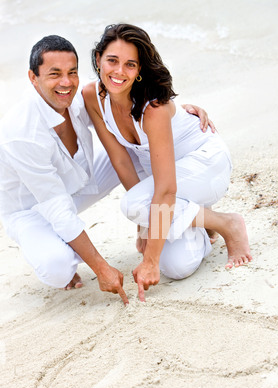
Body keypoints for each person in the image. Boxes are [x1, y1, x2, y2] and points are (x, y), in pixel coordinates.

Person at [0, 34, 212, 305]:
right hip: (31, 210)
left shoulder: (75, 98)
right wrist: (101, 267)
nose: (66, 83)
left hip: (76, 184)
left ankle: (171, 216)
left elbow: (127, 106)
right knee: (57, 268)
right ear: (33, 77)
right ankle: (60, 249)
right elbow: (56, 207)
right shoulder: (21, 133)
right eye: (54, 74)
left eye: (72, 72)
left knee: (135, 153)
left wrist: (175, 112)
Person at [82, 24, 252, 302]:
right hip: (169, 178)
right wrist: (145, 227)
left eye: (130, 64)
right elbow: (121, 161)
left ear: (139, 71)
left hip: (204, 166)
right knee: (176, 265)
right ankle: (200, 222)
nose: (118, 72)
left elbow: (164, 191)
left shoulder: (153, 108)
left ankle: (227, 224)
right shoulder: (93, 97)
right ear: (99, 58)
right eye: (112, 60)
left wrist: (149, 257)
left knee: (134, 204)